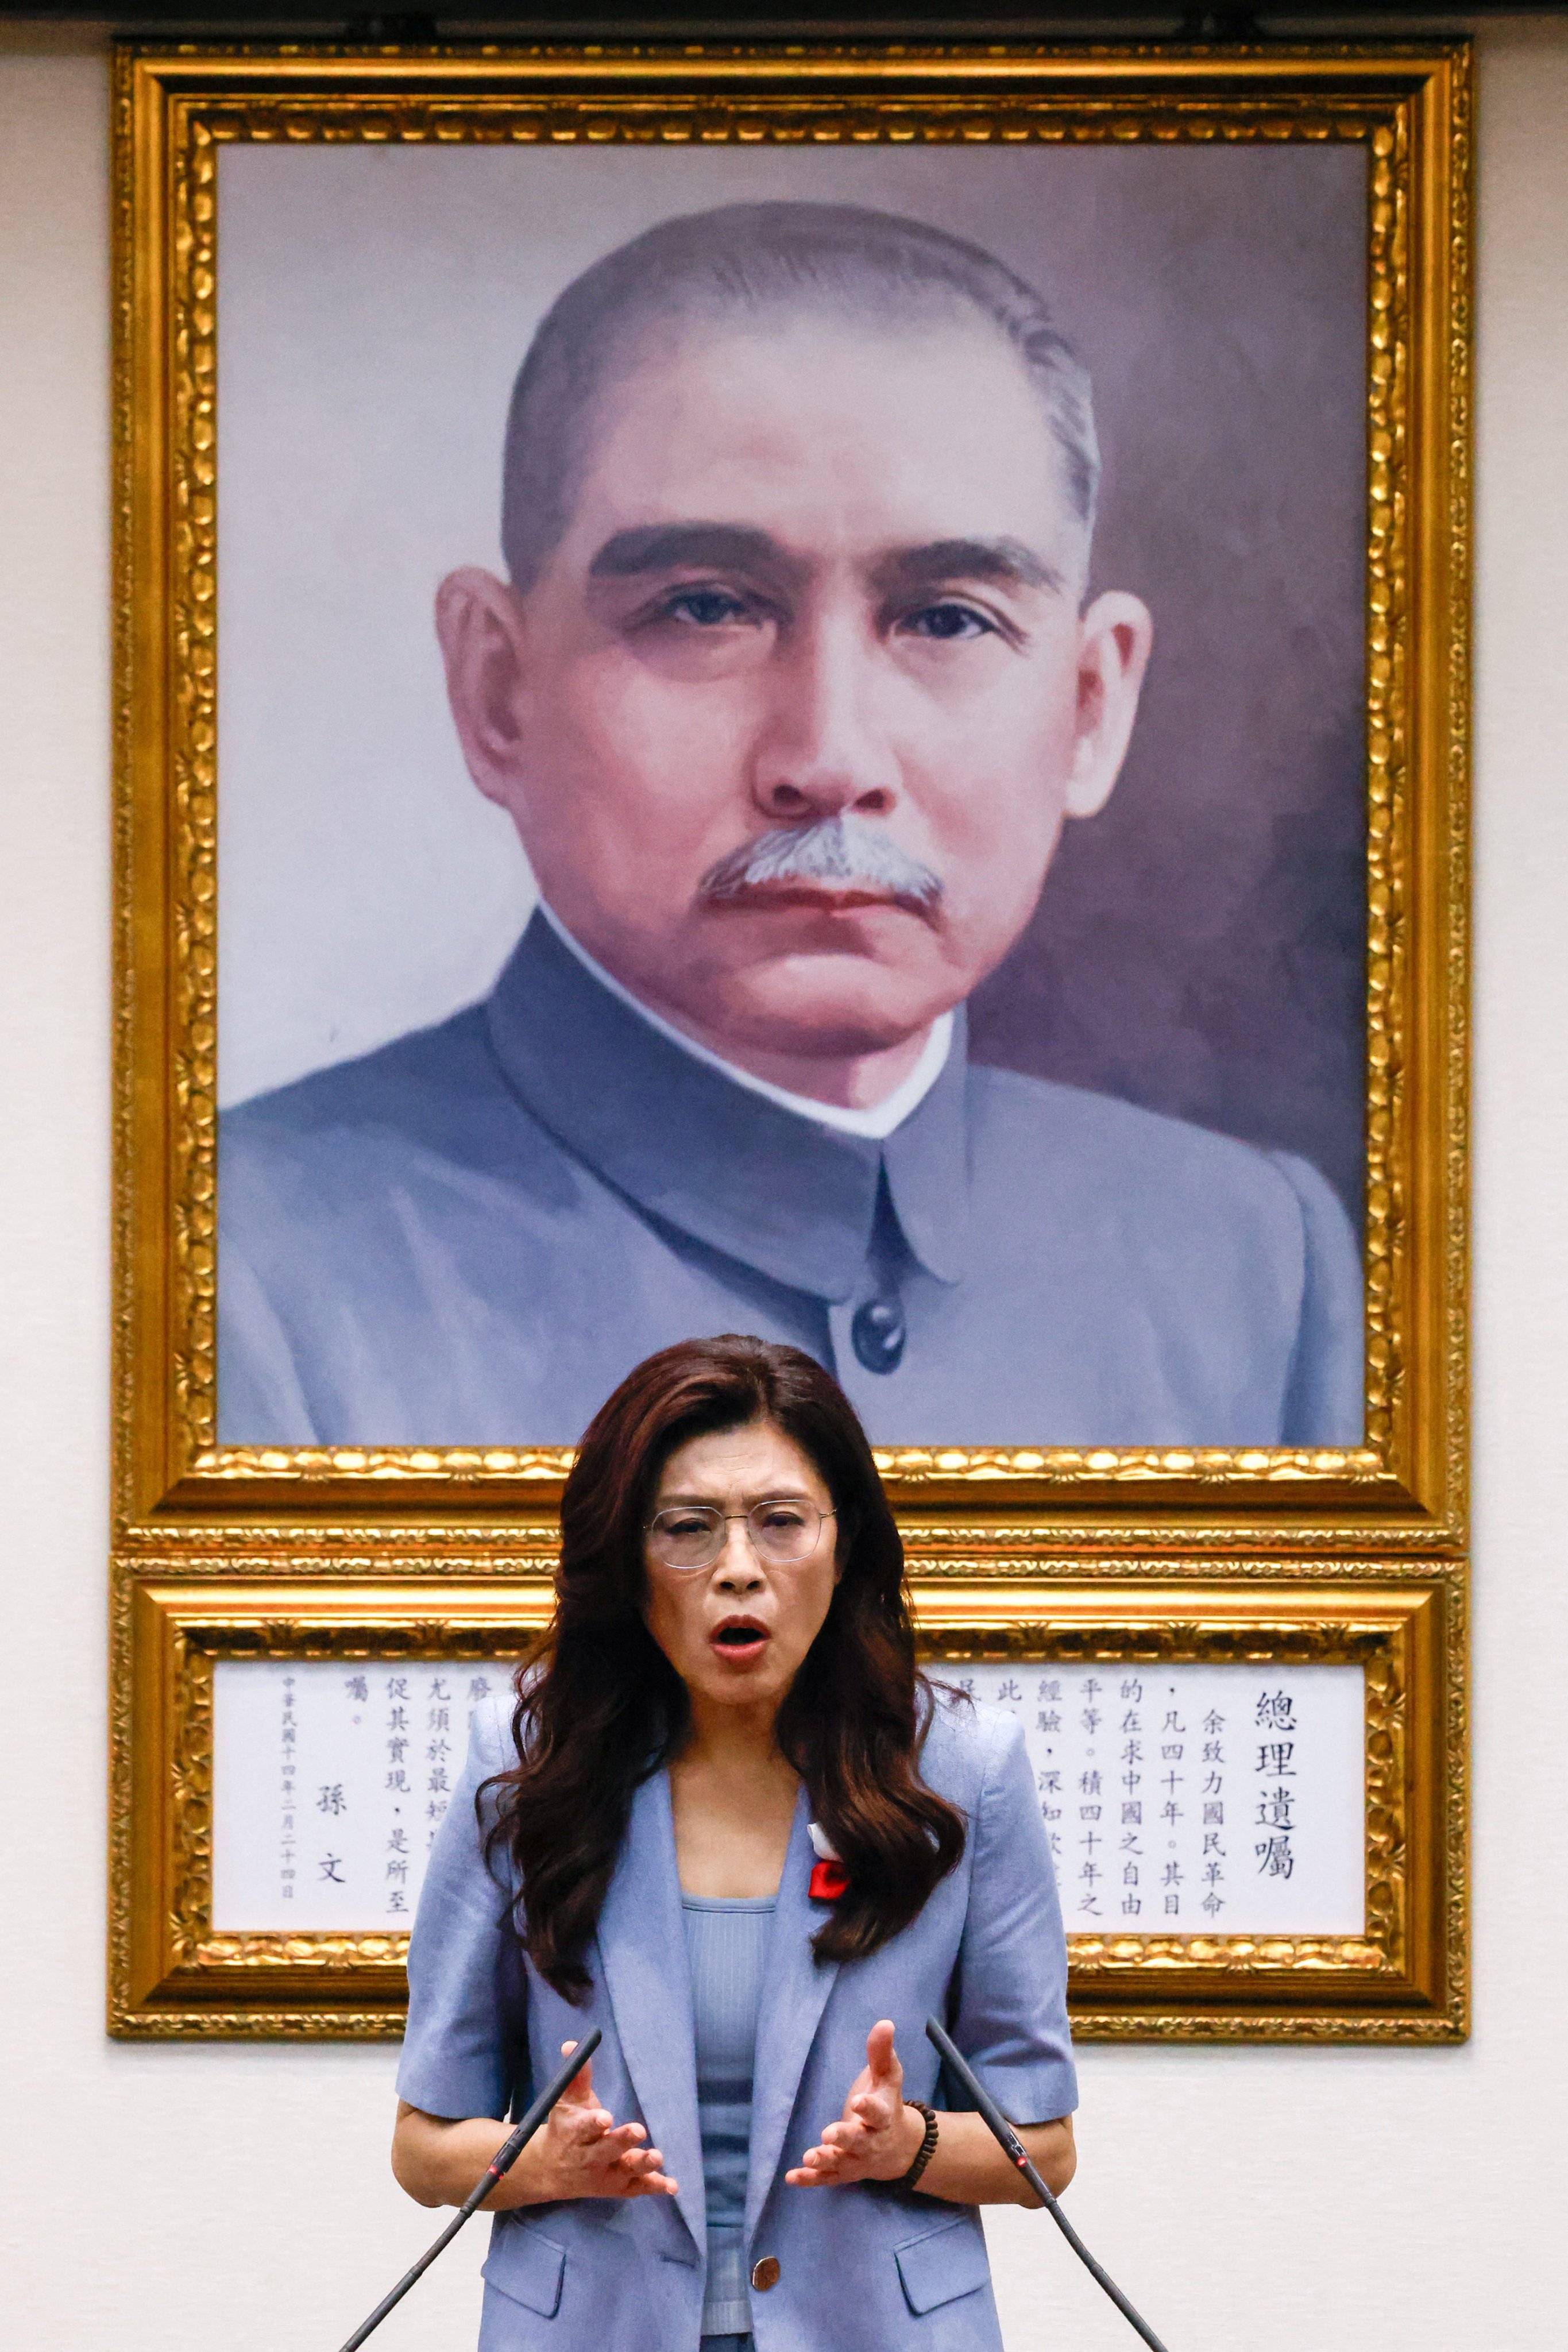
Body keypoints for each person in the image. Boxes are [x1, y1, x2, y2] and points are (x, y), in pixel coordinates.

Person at [218, 200, 1362, 1451]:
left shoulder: (1254, 1266)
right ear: (499, 689)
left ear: (1091, 706)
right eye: (705, 607)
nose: (828, 758)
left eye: (947, 619)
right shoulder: (239, 1274)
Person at [392, 1334, 1076, 2351]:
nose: (738, 1571)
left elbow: (1044, 2150)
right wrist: (546, 2165)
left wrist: (908, 2143)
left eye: (781, 1524)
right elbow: (423, 2148)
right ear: (627, 1562)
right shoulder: (531, 1770)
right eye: (687, 1529)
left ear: (845, 1552)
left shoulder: (964, 1773)